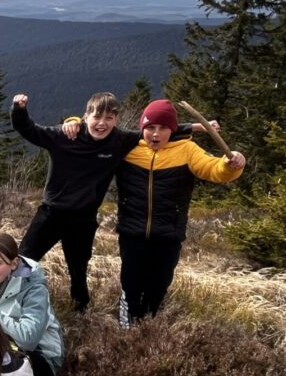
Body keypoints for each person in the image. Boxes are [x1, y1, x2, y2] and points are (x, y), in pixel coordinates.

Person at [12, 92, 203, 312]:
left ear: (116, 120)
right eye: (97, 117)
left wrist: (196, 127)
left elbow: (157, 130)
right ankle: (12, 302)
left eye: (109, 118)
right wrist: (19, 109)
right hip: (51, 214)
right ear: (86, 117)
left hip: (83, 219)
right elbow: (29, 130)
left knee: (78, 269)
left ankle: (80, 310)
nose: (102, 124)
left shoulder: (120, 140)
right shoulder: (65, 136)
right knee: (24, 260)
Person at [117, 100, 246, 326]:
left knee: (158, 287)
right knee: (131, 286)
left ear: (172, 130)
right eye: (150, 128)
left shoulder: (187, 150)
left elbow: (214, 170)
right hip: (132, 234)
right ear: (142, 128)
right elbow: (96, 132)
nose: (155, 134)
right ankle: (127, 331)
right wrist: (73, 122)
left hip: (168, 236)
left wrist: (230, 164)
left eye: (163, 128)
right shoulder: (128, 147)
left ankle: (147, 328)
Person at [0, 232, 64, 376]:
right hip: (4, 348)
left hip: (40, 357)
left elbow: (28, 339)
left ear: (14, 263)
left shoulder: (34, 288)